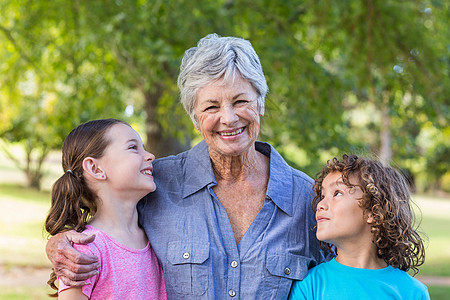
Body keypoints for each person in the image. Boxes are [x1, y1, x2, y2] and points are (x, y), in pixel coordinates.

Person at [45, 34, 327, 299]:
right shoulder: (157, 183)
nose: (228, 118)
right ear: (194, 118)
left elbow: (356, 264)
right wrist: (58, 244)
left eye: (240, 101)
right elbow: (105, 216)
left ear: (260, 104)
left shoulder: (307, 198)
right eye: (211, 107)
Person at [45, 119, 167, 299]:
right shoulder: (84, 252)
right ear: (95, 168)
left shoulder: (157, 236)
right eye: (133, 148)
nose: (150, 156)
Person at [288, 154, 430, 299]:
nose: (320, 205)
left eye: (337, 193)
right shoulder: (310, 286)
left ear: (374, 211)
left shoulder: (412, 292)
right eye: (322, 196)